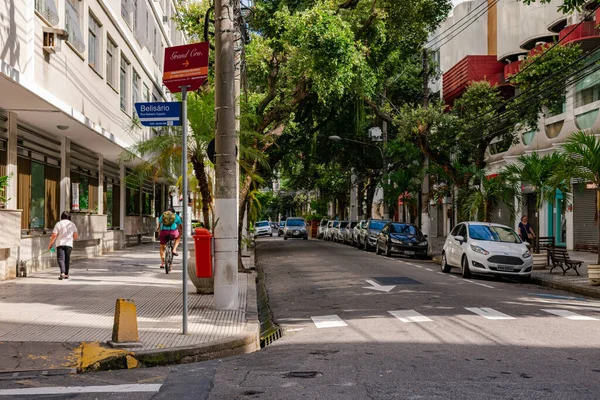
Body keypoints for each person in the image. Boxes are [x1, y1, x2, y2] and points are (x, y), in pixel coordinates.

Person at [48, 211, 79, 280]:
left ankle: (62, 273)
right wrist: (71, 238)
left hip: (60, 244)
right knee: (67, 259)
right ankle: (66, 274)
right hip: (69, 244)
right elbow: (76, 236)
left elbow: (54, 235)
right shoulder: (72, 224)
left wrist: (50, 244)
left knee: (61, 259)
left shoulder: (58, 224)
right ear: (69, 217)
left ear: (61, 217)